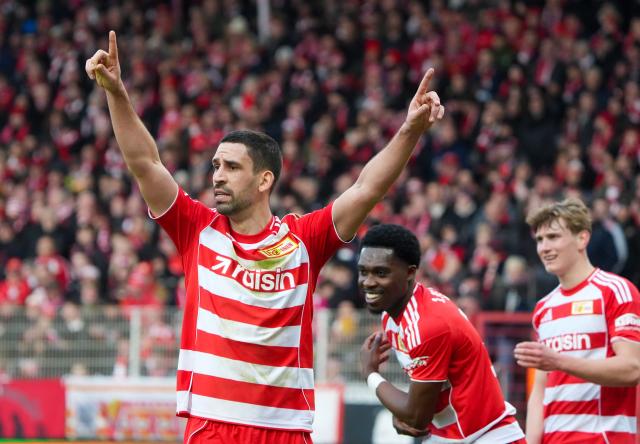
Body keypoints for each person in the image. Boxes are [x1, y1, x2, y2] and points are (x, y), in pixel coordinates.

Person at [85, 31, 445, 444]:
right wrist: (117, 93)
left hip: (285, 430)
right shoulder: (196, 230)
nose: (217, 175)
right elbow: (145, 162)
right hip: (211, 426)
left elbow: (367, 189)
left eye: (232, 167)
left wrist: (410, 129)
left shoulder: (303, 240)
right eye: (215, 165)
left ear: (264, 179)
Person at [358, 224, 525, 443]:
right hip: (449, 436)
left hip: (486, 437)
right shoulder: (392, 316)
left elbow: (416, 416)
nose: (368, 282)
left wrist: (370, 373)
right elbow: (422, 402)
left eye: (381, 272)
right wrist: (405, 411)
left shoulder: (427, 324)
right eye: (363, 272)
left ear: (410, 272)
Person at [514, 198, 640, 443]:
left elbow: (633, 368)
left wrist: (559, 361)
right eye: (539, 240)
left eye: (553, 237)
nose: (544, 248)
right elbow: (540, 392)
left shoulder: (615, 291)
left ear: (582, 238)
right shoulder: (543, 307)